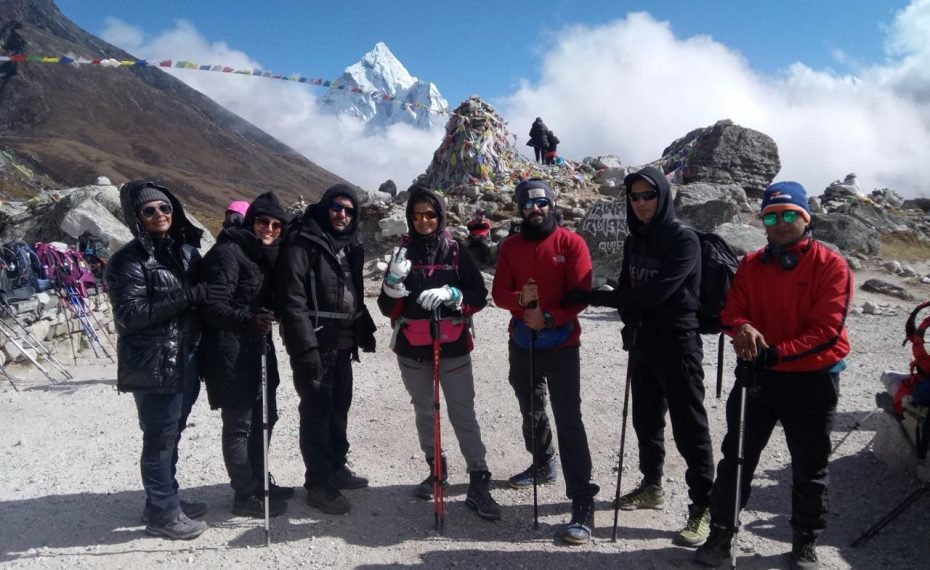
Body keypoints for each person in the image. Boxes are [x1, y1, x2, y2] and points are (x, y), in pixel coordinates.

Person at [694, 182, 852, 569]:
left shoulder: (831, 265)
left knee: (810, 464)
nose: (780, 223)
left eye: (790, 214)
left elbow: (827, 331)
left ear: (806, 219)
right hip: (758, 377)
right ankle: (721, 533)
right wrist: (742, 327)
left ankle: (805, 541)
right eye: (771, 217)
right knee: (737, 458)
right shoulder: (751, 264)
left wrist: (774, 353)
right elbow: (731, 312)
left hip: (812, 378)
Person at [562, 166, 716, 547]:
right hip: (644, 344)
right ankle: (652, 485)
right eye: (635, 196)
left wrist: (594, 297)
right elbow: (630, 290)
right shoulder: (635, 240)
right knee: (646, 420)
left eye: (649, 195)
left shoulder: (684, 240)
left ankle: (704, 506)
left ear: (663, 196)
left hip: (678, 346)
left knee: (689, 427)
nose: (642, 202)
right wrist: (621, 304)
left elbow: (654, 294)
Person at [378, 185, 502, 521]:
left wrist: (453, 293)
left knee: (463, 412)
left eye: (430, 214)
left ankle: (478, 478)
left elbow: (478, 294)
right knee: (424, 410)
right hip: (412, 347)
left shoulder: (457, 250)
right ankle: (436, 469)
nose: (423, 221)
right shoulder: (402, 254)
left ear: (440, 216)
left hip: (453, 345)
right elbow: (387, 308)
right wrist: (392, 285)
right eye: (417, 215)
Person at [491, 178, 598, 545]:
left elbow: (580, 295)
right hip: (523, 341)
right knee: (530, 406)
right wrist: (521, 300)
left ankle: (582, 500)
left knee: (569, 419)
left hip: (562, 343)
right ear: (520, 208)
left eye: (541, 202)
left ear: (552, 204)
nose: (534, 209)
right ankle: (542, 463)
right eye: (527, 203)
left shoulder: (571, 243)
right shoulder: (511, 246)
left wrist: (549, 317)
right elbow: (499, 293)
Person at [106, 180, 208, 540]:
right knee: (159, 436)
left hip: (186, 356)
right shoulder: (126, 261)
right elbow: (130, 316)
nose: (159, 214)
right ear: (136, 216)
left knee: (173, 430)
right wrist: (186, 296)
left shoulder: (183, 251)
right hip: (153, 362)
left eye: (165, 208)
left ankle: (164, 499)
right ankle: (163, 513)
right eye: (149, 210)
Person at [275, 184, 377, 515]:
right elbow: (292, 301)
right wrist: (305, 348)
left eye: (348, 210)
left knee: (338, 407)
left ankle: (336, 467)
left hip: (343, 343)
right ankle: (318, 484)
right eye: (336, 207)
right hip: (316, 342)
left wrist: (363, 325)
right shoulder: (302, 241)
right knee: (317, 412)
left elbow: (352, 291)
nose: (342, 214)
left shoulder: (350, 245)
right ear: (324, 207)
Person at [200, 192, 293, 519]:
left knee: (265, 418)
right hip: (230, 349)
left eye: (276, 225)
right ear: (250, 221)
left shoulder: (261, 255)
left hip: (258, 346)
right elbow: (212, 306)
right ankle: (245, 493)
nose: (269, 228)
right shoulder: (228, 252)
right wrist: (247, 320)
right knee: (240, 424)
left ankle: (259, 481)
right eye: (263, 221)